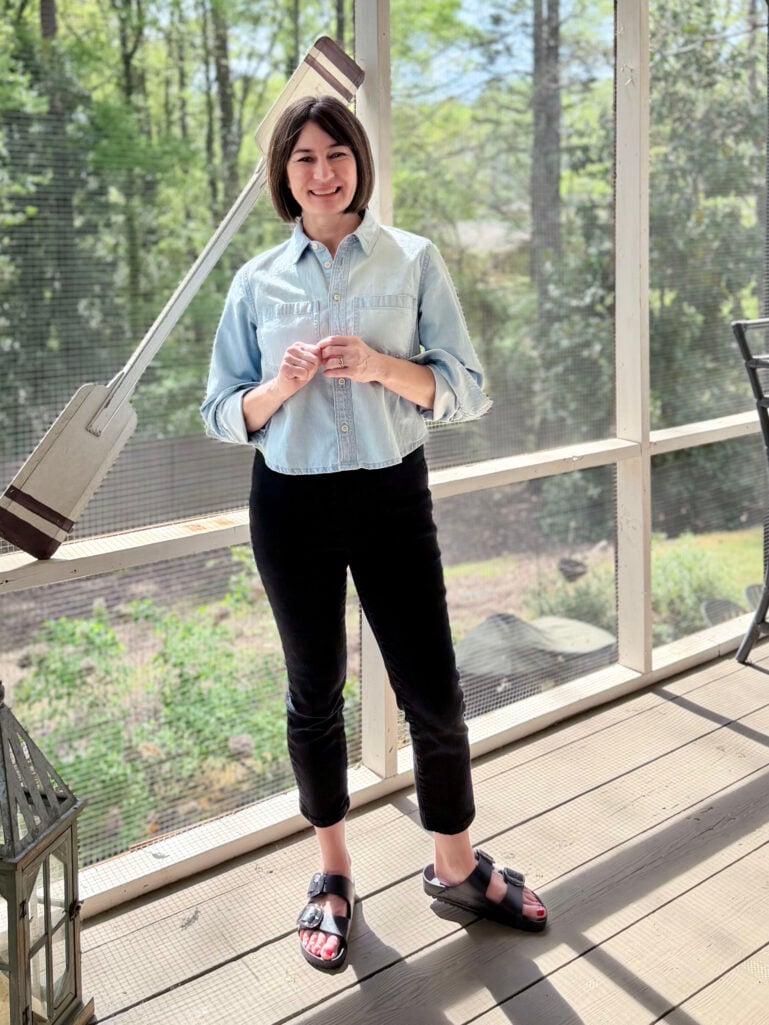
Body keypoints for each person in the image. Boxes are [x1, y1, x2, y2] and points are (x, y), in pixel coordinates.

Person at [201, 95, 548, 973]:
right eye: (305, 158)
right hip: (289, 502)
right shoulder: (254, 282)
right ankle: (332, 876)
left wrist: (383, 366)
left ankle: (456, 867)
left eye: (338, 153)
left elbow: (467, 388)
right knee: (312, 692)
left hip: (393, 493)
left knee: (433, 690)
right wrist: (278, 389)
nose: (324, 171)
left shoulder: (414, 259)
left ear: (360, 160)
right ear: (284, 175)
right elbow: (219, 411)